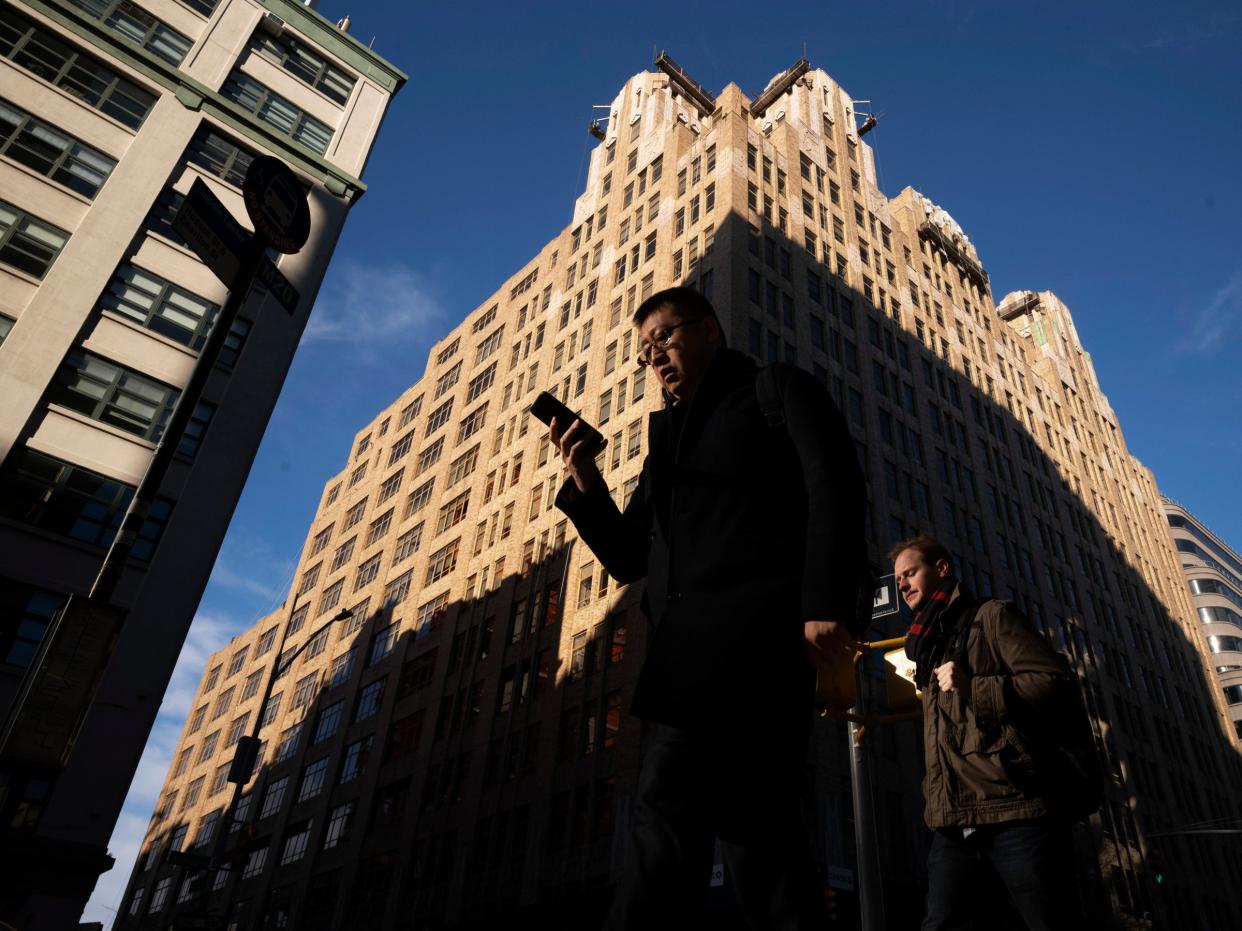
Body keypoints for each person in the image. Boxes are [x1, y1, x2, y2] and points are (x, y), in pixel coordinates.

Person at [550, 287, 867, 930]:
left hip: (759, 642)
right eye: (645, 350)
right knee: (762, 841)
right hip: (685, 657)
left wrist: (823, 603)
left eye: (665, 337)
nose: (655, 355)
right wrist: (585, 478)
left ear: (711, 332)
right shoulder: (664, 447)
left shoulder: (774, 390)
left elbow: (833, 483)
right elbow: (629, 557)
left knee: (666, 818)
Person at [891, 534, 1089, 931]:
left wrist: (975, 686)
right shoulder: (927, 647)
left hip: (1016, 811)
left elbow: (1055, 682)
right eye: (898, 581)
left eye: (910, 573)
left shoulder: (992, 617)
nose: (903, 585)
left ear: (942, 569)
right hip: (953, 822)